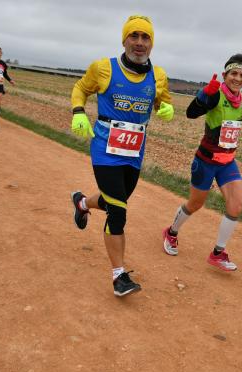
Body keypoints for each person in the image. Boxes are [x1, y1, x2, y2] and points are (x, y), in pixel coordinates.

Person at [69, 15, 174, 297]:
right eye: (134, 36)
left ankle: (82, 203)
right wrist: (78, 111)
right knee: (118, 211)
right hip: (105, 148)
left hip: (134, 151)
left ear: (152, 43)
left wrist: (166, 108)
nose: (139, 43)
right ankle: (119, 276)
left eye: (146, 38)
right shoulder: (104, 68)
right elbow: (80, 88)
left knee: (115, 200)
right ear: (124, 39)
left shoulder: (158, 75)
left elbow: (164, 99)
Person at [161, 54, 242, 271]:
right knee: (195, 204)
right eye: (234, 74)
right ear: (225, 75)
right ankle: (171, 232)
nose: (238, 78)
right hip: (206, 161)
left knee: (236, 205)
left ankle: (218, 253)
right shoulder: (215, 96)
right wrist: (203, 96)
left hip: (228, 162)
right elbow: (191, 113)